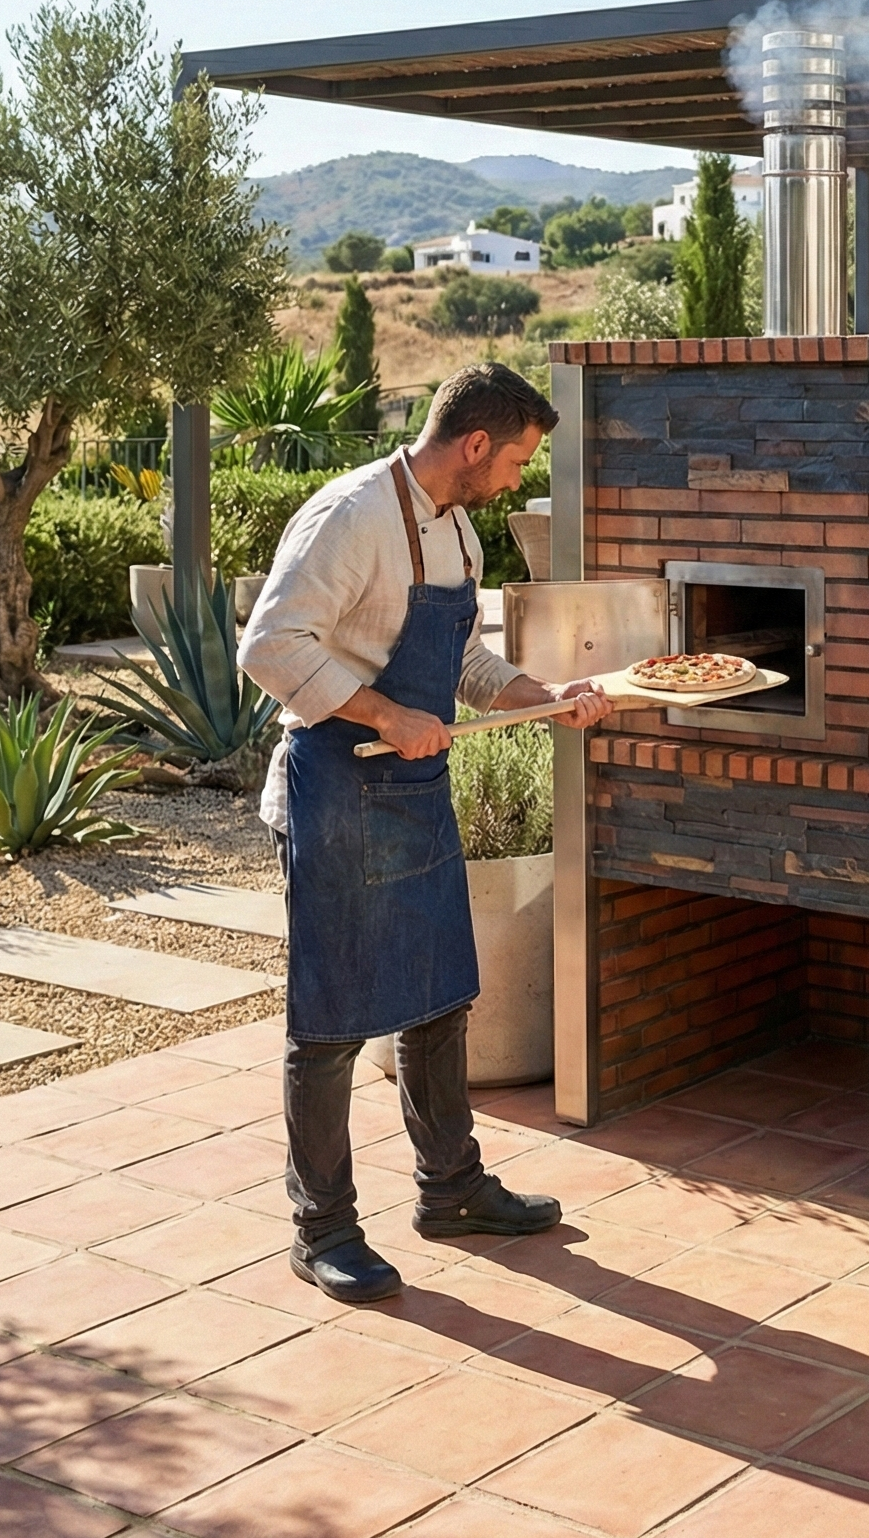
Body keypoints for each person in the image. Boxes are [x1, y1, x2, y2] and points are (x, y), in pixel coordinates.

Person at [239, 362, 610, 1303]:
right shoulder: (352, 515)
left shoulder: (456, 528)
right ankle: (322, 1227)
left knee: (440, 998)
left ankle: (451, 1188)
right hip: (334, 789)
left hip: (415, 793)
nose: (519, 478)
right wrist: (383, 714)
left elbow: (464, 660)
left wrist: (545, 696)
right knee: (330, 1020)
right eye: (517, 459)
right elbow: (269, 646)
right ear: (475, 443)